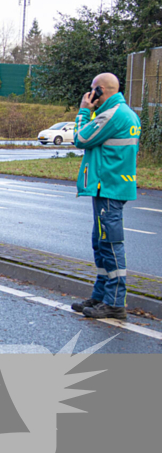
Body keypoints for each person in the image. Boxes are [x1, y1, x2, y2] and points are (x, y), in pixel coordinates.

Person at [69, 73, 141, 321]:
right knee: (101, 244)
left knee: (110, 244)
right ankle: (100, 296)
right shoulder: (124, 113)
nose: (90, 94)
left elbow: (80, 138)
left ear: (100, 90)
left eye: (92, 90)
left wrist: (83, 111)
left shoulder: (112, 114)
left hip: (108, 186)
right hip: (109, 186)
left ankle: (115, 303)